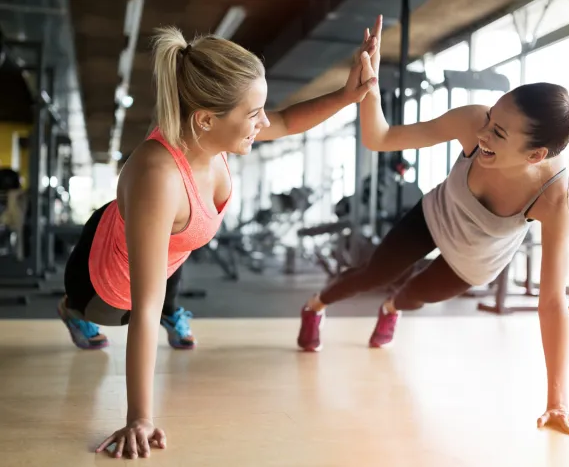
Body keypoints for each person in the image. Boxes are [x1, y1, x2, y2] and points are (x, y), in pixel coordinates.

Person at [57, 23, 379, 459]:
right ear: (206, 118)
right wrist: (139, 416)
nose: (263, 121)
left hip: (167, 244)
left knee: (166, 275)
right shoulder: (159, 177)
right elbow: (145, 306)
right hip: (102, 275)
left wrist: (349, 94)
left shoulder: (213, 133)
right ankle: (71, 310)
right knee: (120, 315)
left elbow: (284, 121)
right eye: (254, 114)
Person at [296, 17, 569, 437]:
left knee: (410, 297)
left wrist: (557, 402)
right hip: (435, 216)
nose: (483, 132)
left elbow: (552, 302)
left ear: (534, 154)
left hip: (474, 261)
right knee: (373, 274)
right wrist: (370, 87)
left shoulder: (553, 198)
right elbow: (380, 138)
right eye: (490, 118)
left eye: (498, 133)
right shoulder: (473, 124)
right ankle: (315, 306)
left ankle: (390, 310)